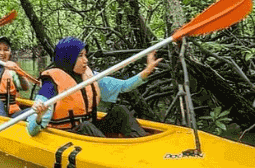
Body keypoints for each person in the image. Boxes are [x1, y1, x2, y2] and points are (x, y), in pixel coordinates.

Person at [26, 37, 161, 138]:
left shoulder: (90, 76)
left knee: (120, 111)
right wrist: (39, 116)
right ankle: (109, 154)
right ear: (68, 58)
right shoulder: (50, 85)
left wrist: (147, 71)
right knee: (85, 126)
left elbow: (124, 86)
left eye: (85, 55)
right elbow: (31, 130)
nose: (86, 60)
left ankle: (140, 142)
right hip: (67, 134)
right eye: (80, 56)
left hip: (91, 130)